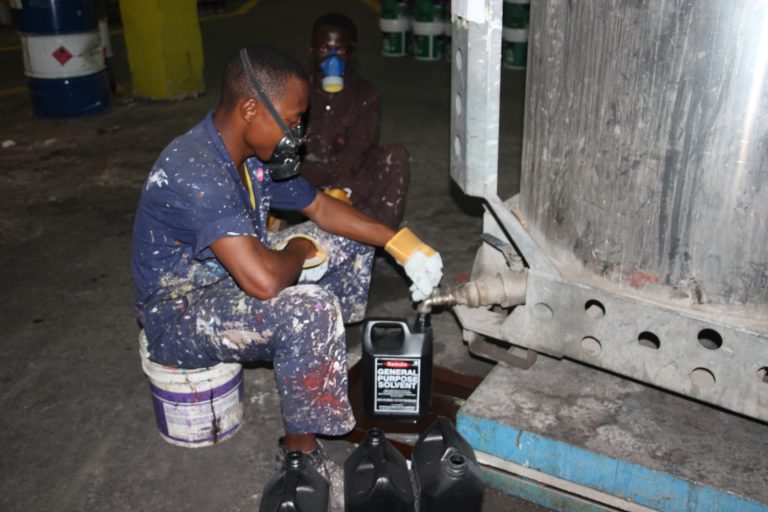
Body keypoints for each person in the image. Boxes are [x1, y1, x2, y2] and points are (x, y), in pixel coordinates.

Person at [130, 45, 441, 506]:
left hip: (226, 271)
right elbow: (264, 282)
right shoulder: (196, 169)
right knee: (305, 311)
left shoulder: (252, 154)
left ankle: (322, 360)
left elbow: (319, 206)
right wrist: (297, 247)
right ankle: (302, 455)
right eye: (294, 120)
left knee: (345, 239)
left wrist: (399, 242)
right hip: (179, 312)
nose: (300, 132)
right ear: (252, 109)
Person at [300, 12, 410, 230]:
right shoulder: (296, 89)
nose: (332, 58)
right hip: (302, 175)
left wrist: (340, 190)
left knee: (395, 157)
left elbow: (359, 148)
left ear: (351, 52)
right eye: (324, 49)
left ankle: (378, 244)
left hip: (346, 174)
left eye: (340, 50)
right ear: (311, 49)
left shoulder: (366, 94)